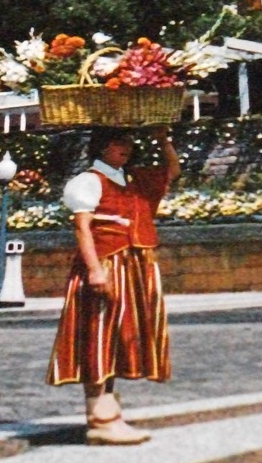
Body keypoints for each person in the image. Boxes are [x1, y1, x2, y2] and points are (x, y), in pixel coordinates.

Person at [47, 125, 180, 445]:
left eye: (127, 142)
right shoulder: (89, 180)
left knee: (120, 338)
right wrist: (94, 270)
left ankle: (109, 413)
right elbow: (82, 229)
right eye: (117, 143)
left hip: (133, 265)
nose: (126, 148)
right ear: (102, 147)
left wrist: (163, 139)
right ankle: (100, 417)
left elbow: (172, 170)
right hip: (107, 263)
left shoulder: (132, 179)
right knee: (99, 335)